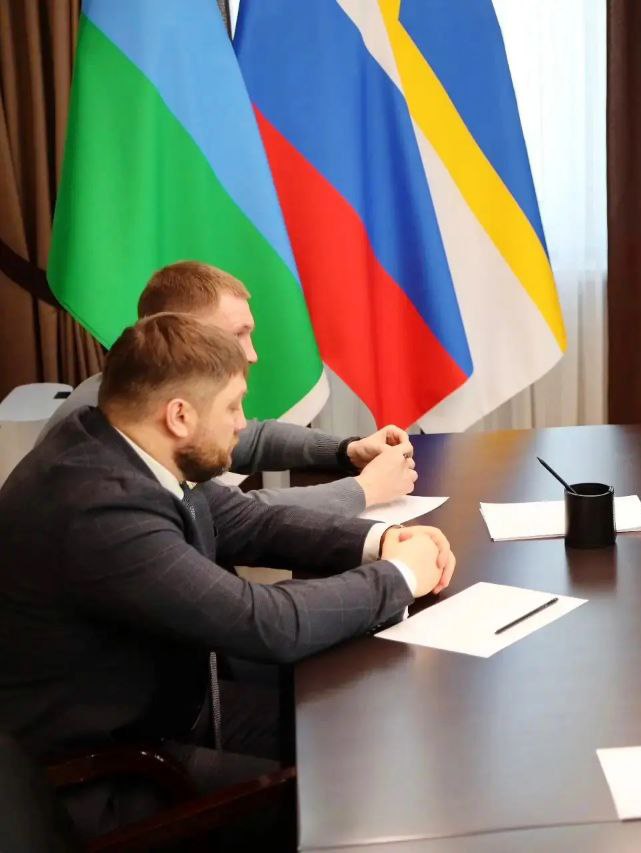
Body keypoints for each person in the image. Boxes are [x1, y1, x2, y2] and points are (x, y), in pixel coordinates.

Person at [0, 314, 457, 836]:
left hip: (171, 702)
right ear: (179, 415)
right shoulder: (99, 509)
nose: (242, 425)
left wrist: (378, 541)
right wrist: (400, 577)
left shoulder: (119, 445)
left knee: (375, 725)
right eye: (233, 407)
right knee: (357, 789)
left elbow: (247, 520)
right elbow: (266, 623)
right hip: (110, 776)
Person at [38, 260, 413, 514]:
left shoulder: (142, 387)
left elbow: (253, 440)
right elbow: (227, 514)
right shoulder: (116, 416)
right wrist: (365, 490)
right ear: (183, 332)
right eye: (238, 335)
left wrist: (347, 450)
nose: (252, 355)